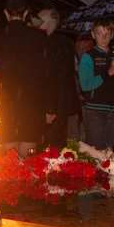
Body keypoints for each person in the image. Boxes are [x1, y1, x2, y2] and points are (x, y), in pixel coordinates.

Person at [0, 0, 54, 156]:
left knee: (10, 162)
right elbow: (49, 74)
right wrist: (50, 106)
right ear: (25, 14)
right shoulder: (39, 37)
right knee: (29, 160)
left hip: (4, 102)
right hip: (32, 103)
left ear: (6, 13)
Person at [78, 18, 114, 150]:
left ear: (112, 35)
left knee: (109, 155)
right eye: (100, 33)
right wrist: (108, 72)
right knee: (96, 154)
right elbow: (85, 85)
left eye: (107, 34)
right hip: (95, 112)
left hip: (113, 112)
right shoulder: (88, 57)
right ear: (93, 34)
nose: (104, 37)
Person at [37, 8, 81, 148]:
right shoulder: (64, 41)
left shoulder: (52, 43)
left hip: (56, 98)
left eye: (40, 21)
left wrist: (51, 106)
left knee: (53, 141)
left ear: (50, 23)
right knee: (58, 139)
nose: (36, 24)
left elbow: (53, 75)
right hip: (62, 98)